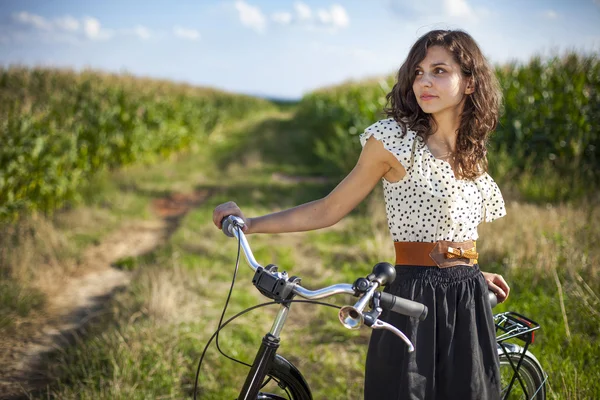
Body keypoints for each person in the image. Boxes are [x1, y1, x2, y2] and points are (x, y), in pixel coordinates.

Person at [213, 29, 510, 400]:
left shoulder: (471, 151)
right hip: (412, 296)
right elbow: (328, 208)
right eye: (418, 72)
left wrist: (471, 269)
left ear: (469, 82)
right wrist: (252, 224)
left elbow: (454, 232)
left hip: (465, 297)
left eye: (438, 71)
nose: (424, 82)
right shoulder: (392, 140)